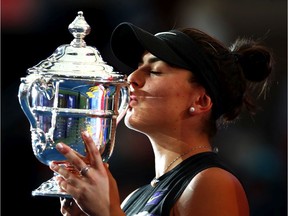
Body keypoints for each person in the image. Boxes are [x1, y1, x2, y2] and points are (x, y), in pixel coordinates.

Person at [50, 22, 274, 216]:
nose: (132, 78)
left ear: (201, 101)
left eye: (155, 71)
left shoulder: (212, 183)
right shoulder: (134, 198)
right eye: (138, 67)